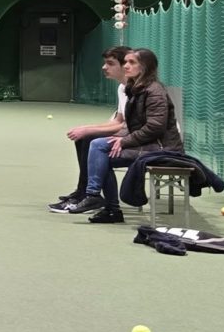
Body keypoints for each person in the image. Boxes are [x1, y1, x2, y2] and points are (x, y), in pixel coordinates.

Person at [63, 47, 184, 224]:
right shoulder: (133, 89)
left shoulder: (154, 91)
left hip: (162, 148)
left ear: (144, 67)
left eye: (131, 62)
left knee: (98, 146)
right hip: (145, 143)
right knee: (99, 151)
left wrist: (125, 140)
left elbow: (155, 127)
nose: (126, 66)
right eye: (125, 62)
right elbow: (130, 124)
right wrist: (120, 138)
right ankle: (108, 208)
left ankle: (96, 197)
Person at [47, 46, 130, 213]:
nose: (104, 67)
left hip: (136, 140)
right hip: (127, 134)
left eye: (110, 63)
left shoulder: (137, 90)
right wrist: (86, 128)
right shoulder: (122, 88)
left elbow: (127, 127)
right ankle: (82, 192)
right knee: (84, 138)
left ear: (124, 66)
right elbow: (118, 120)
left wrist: (89, 131)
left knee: (92, 140)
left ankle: (89, 195)